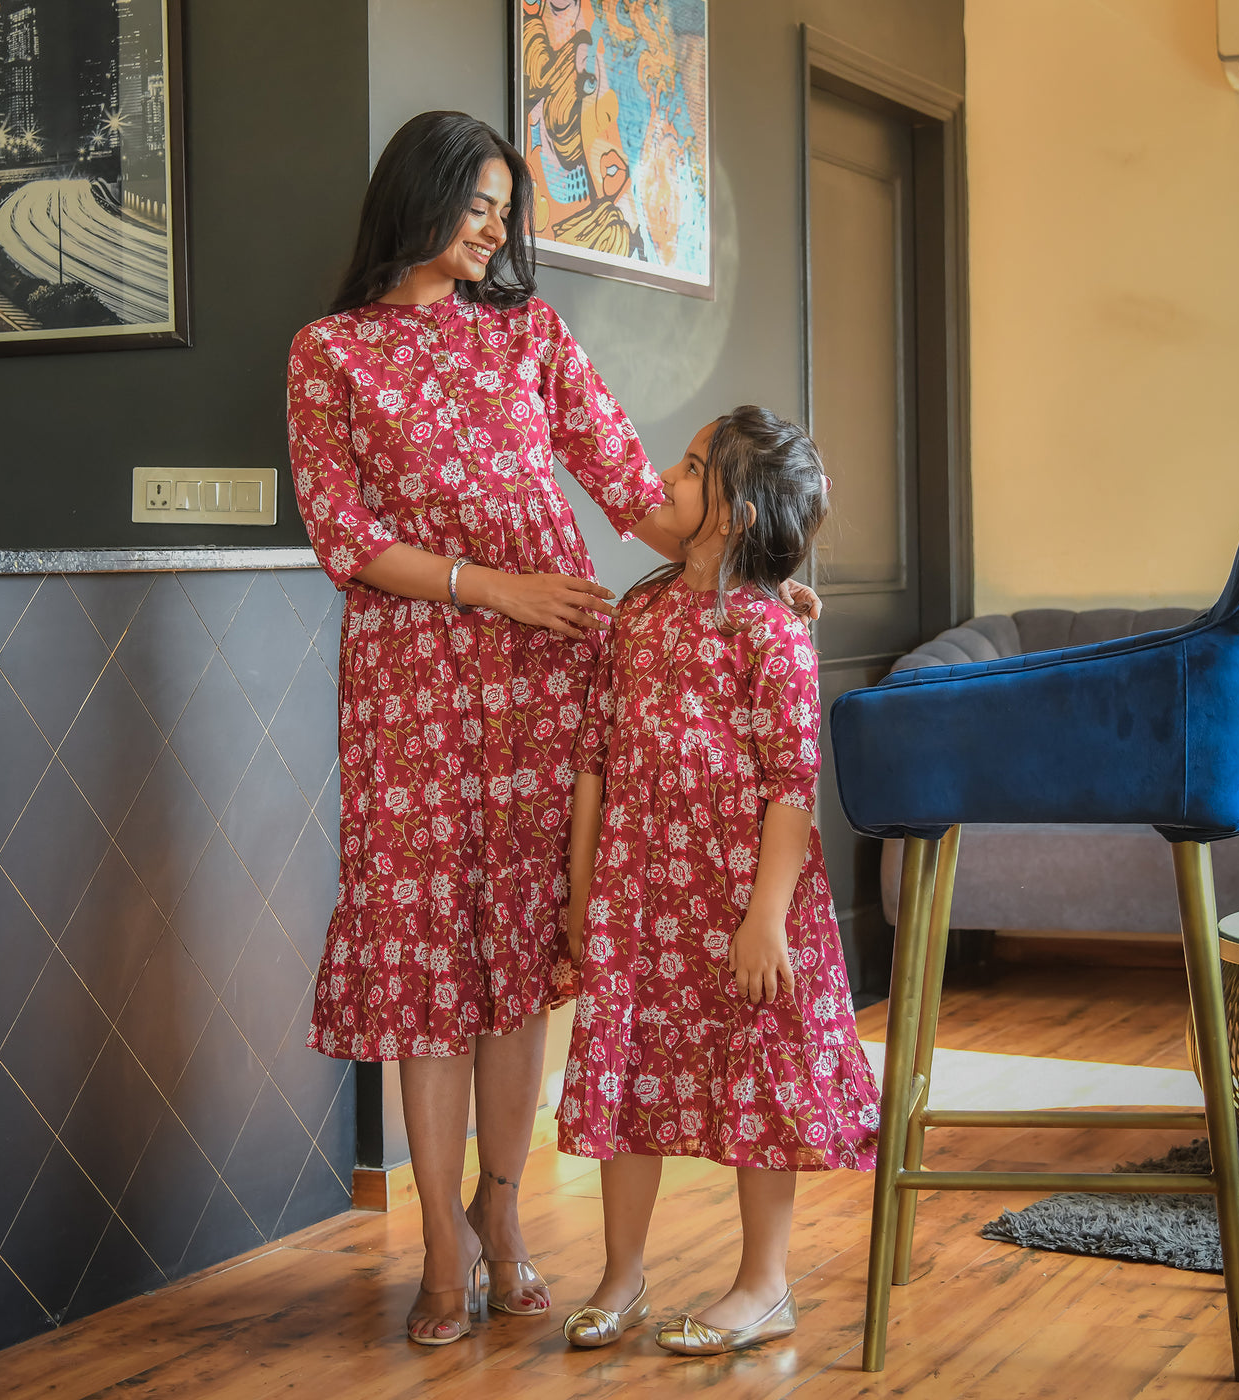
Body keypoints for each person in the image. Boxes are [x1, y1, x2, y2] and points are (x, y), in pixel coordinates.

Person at [288, 110, 822, 1348]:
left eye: (501, 210)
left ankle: (506, 1214)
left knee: (520, 962)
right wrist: (498, 587)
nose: (493, 230)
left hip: (543, 687)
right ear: (414, 201)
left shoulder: (528, 332)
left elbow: (635, 483)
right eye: (475, 204)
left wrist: (746, 567)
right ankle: (438, 1243)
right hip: (411, 691)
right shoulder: (331, 353)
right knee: (425, 962)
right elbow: (345, 539)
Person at [557, 406, 879, 1356]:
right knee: (630, 1078)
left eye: (693, 468)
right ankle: (622, 1277)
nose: (667, 474)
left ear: (737, 510)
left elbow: (792, 784)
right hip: (638, 894)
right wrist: (585, 894)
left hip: (741, 900)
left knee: (757, 1076)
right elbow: (594, 759)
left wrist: (765, 920)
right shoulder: (640, 613)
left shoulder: (773, 632)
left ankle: (764, 1284)